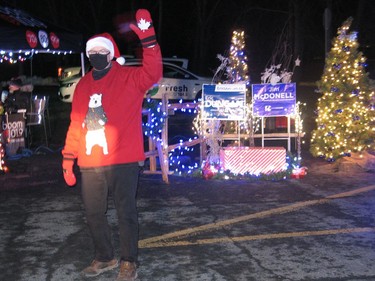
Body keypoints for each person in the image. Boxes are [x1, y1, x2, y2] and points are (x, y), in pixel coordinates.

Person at [61, 9, 162, 281]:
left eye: (100, 51)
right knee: (93, 212)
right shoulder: (82, 86)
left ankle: (129, 262)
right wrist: (68, 158)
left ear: (110, 54)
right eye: (91, 51)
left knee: (125, 211)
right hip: (91, 161)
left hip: (124, 159)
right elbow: (76, 124)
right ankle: (105, 256)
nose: (95, 55)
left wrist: (149, 40)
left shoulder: (129, 77)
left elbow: (152, 73)